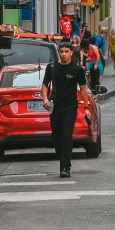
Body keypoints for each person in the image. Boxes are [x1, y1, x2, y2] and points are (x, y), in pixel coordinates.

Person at [41, 42, 88, 178]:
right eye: (61, 51)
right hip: (55, 106)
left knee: (67, 135)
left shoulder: (77, 70)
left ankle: (65, 167)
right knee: (56, 136)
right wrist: (45, 99)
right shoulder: (52, 68)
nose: (63, 54)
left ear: (71, 52)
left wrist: (86, 107)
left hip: (70, 106)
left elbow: (83, 89)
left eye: (66, 51)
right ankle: (62, 156)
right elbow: (44, 85)